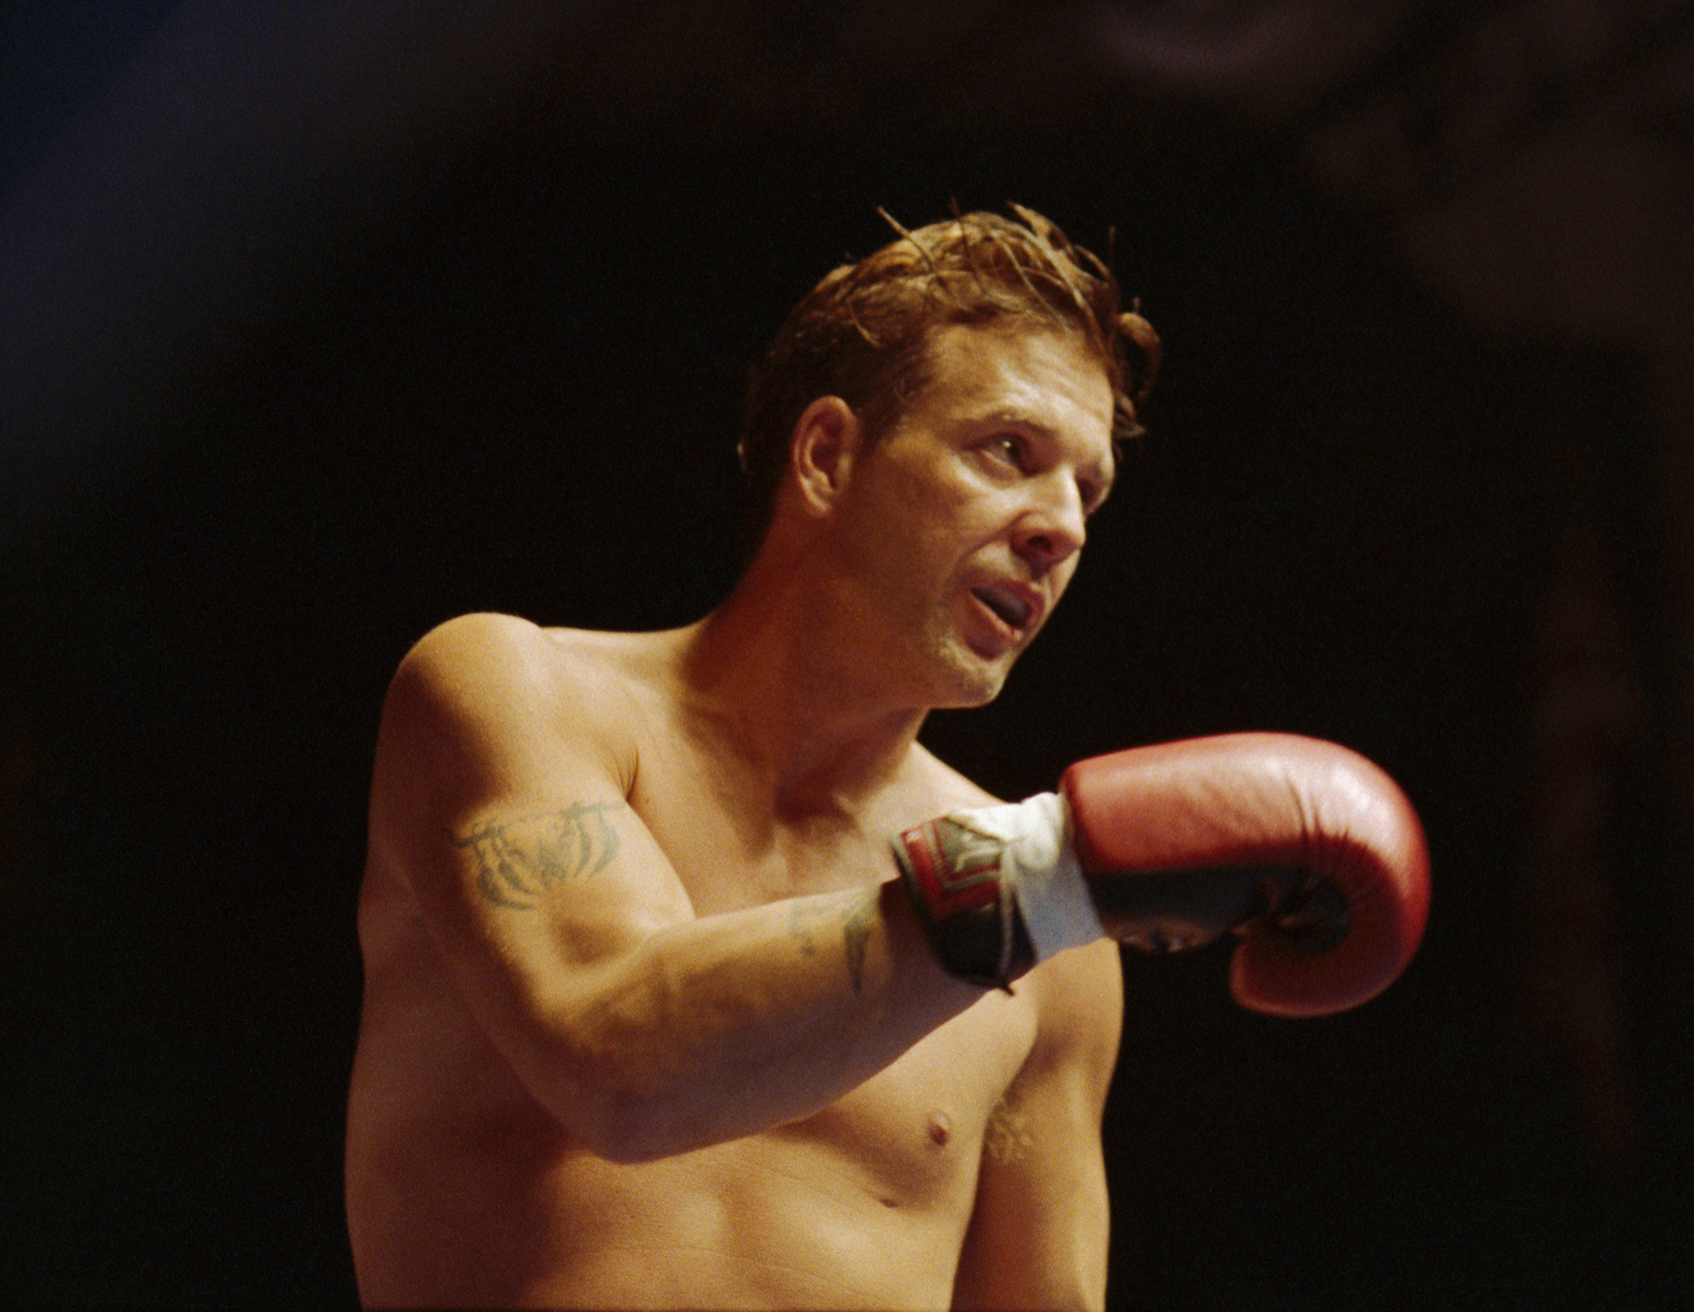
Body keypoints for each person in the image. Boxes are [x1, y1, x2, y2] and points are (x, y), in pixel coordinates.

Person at [344, 206, 1427, 1311]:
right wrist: (1046, 878)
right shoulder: (518, 695)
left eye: (1088, 491)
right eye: (1010, 452)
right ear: (827, 456)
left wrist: (1052, 887)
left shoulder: (1059, 962)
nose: (1061, 527)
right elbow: (618, 1064)